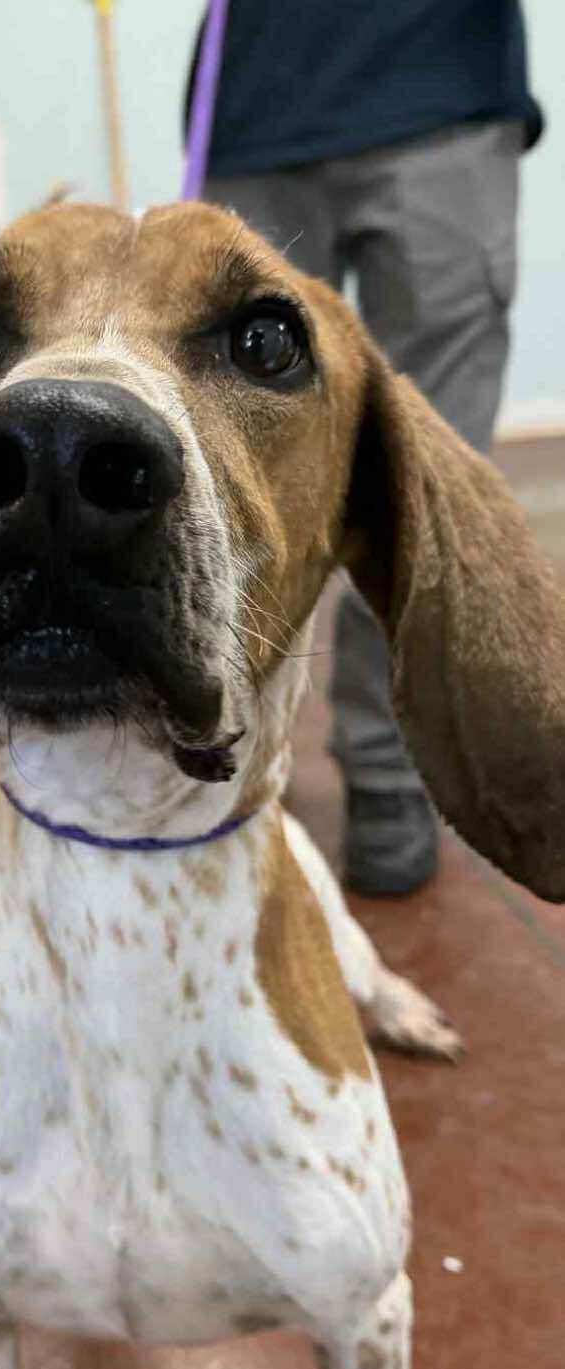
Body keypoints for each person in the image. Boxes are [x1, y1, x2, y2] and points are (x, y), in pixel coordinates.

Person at [192, 1, 542, 895]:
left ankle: (391, 774)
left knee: (423, 481)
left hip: (438, 99)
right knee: (224, 480)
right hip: (256, 107)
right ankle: (206, 748)